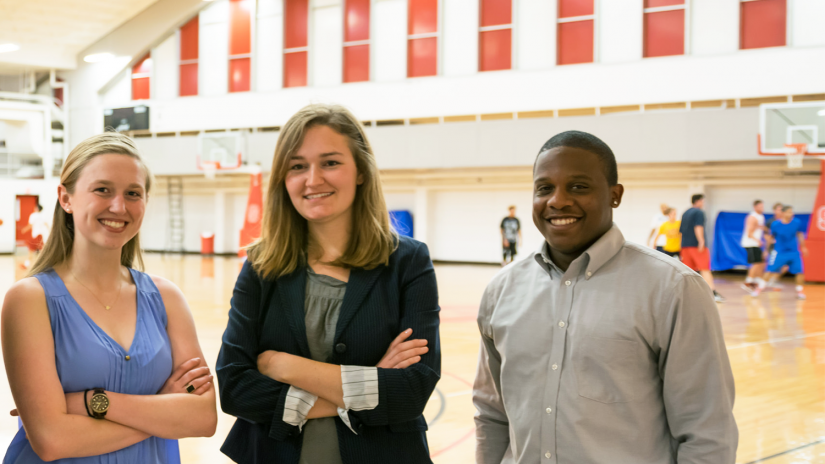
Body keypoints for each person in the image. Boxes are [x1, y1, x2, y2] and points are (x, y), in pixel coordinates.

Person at [473, 130, 737, 464]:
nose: (557, 200)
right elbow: (492, 413)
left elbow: (708, 432)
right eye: (544, 188)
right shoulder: (501, 290)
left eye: (578, 186)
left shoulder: (673, 288)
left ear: (615, 195)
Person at [216, 104, 441, 464]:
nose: (313, 179)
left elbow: (412, 390)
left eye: (330, 162)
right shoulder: (261, 266)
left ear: (361, 172)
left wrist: (282, 365)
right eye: (298, 166)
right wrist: (371, 381)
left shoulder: (407, 262)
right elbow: (234, 388)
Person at [1, 132, 217, 463]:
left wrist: (90, 402)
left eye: (133, 193)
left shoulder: (166, 297)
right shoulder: (29, 300)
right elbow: (51, 440)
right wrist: (163, 410)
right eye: (103, 190)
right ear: (66, 198)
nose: (119, 206)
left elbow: (202, 419)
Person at [679, 194, 725, 303]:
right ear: (698, 201)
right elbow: (698, 226)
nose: (703, 203)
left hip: (685, 246)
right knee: (705, 269)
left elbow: (680, 231)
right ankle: (712, 293)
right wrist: (701, 241)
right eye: (703, 201)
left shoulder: (685, 213)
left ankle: (688, 294)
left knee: (688, 271)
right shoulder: (699, 212)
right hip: (696, 246)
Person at [755, 205, 808, 300]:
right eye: (789, 212)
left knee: (800, 272)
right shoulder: (775, 225)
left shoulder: (797, 222)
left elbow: (800, 234)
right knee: (769, 271)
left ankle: (800, 292)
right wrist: (766, 251)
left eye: (792, 212)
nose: (791, 214)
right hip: (779, 253)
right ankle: (758, 289)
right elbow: (771, 238)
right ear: (783, 213)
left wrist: (803, 247)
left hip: (794, 253)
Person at [741, 200, 766, 294]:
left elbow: (760, 227)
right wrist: (757, 240)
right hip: (750, 243)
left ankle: (756, 280)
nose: (762, 208)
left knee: (760, 262)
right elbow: (749, 233)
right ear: (755, 207)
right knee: (756, 263)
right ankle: (747, 282)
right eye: (760, 207)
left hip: (755, 243)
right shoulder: (752, 217)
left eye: (762, 207)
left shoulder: (761, 217)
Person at [762, 202, 787, 291]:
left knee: (785, 266)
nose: (780, 211)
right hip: (774, 248)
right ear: (775, 210)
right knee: (774, 266)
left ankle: (773, 280)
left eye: (782, 210)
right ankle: (763, 285)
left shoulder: (785, 221)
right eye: (779, 209)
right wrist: (766, 250)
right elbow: (766, 235)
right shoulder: (770, 222)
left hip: (784, 248)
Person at [21, 203, 51, 269]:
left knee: (31, 251)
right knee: (42, 251)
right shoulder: (43, 215)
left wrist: (24, 230)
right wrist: (50, 232)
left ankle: (27, 265)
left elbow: (30, 225)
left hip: (35, 235)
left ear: (37, 208)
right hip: (40, 235)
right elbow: (46, 224)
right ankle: (46, 265)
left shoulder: (33, 215)